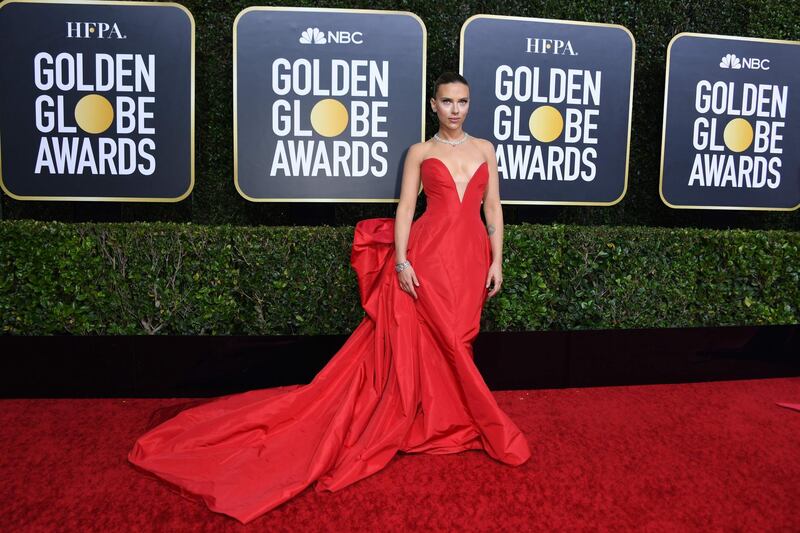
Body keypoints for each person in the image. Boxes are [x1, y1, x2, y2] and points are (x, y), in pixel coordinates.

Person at [128, 71, 531, 524]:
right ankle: (437, 418)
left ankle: (447, 416)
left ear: (468, 104)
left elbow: (493, 206)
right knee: (435, 342)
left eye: (462, 101)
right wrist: (401, 260)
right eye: (447, 101)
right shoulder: (420, 152)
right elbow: (404, 208)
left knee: (459, 338)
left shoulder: (485, 150)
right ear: (433, 105)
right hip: (430, 256)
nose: (455, 109)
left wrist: (497, 259)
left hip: (471, 256)